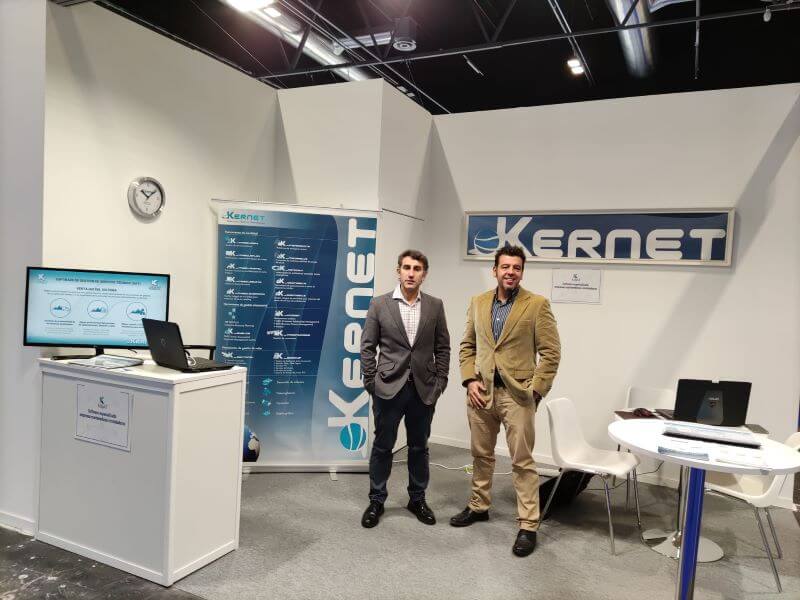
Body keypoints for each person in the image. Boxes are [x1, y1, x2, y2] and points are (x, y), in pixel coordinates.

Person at [450, 245, 561, 557]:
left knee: (522, 461)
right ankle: (478, 506)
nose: (510, 272)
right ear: (495, 270)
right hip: (481, 393)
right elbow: (468, 345)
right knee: (481, 455)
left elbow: (551, 352)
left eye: (516, 267)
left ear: (522, 272)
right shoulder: (478, 302)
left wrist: (535, 391)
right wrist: (469, 380)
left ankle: (528, 525)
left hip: (517, 395)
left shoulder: (536, 305)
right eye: (505, 267)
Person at [360, 249, 451, 528]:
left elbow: (443, 347)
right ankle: (376, 500)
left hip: (423, 389)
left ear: (424, 274)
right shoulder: (379, 304)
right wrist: (371, 382)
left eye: (417, 269)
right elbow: (367, 347)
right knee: (383, 446)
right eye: (407, 268)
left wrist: (440, 382)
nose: (411, 273)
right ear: (398, 271)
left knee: (419, 447)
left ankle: (417, 499)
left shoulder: (435, 305)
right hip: (388, 388)